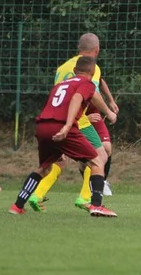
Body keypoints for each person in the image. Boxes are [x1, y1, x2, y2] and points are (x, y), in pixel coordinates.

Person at [9, 55, 116, 217]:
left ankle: (17, 205)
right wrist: (67, 125)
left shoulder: (61, 84)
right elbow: (78, 98)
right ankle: (96, 205)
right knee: (98, 160)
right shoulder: (85, 83)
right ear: (93, 72)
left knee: (44, 168)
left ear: (74, 71)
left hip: (43, 126)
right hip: (62, 126)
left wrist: (106, 111)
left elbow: (89, 96)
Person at [34, 33, 118, 210]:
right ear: (97, 50)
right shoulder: (91, 67)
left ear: (78, 48)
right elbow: (90, 93)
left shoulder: (63, 67)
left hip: (55, 118)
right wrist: (109, 112)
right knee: (100, 156)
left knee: (57, 161)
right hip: (78, 120)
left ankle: (36, 195)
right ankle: (86, 198)